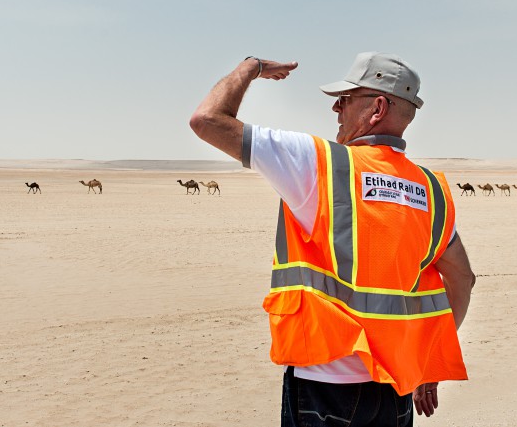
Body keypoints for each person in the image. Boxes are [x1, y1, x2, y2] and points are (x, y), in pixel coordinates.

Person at [190, 52, 475, 426]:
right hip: (396, 386)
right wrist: (429, 359)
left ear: (377, 107)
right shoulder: (431, 190)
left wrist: (250, 67)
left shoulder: (320, 163)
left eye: (345, 100)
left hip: (325, 386)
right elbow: (462, 278)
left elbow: (207, 120)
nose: (336, 110)